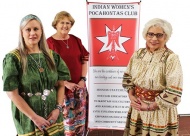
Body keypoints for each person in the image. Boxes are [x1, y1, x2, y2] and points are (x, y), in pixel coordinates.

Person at [2, 14, 71, 136]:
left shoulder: (52, 56)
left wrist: (57, 110)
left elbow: (61, 85)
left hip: (54, 117)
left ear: (41, 31)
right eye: (28, 29)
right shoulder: (13, 58)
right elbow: (12, 94)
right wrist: (34, 117)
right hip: (28, 119)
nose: (32, 33)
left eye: (36, 29)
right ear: (22, 32)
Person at [122, 18, 183, 136]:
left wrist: (150, 106)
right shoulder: (138, 54)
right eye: (150, 34)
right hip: (138, 108)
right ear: (145, 35)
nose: (154, 39)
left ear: (166, 37)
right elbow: (128, 77)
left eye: (159, 35)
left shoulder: (171, 58)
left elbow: (173, 91)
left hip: (159, 110)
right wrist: (131, 95)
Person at [47, 11, 89, 136]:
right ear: (56, 24)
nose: (65, 25)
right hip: (62, 90)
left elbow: (84, 61)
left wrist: (82, 79)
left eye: (68, 23)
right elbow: (49, 70)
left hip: (79, 87)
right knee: (67, 124)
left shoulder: (76, 40)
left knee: (80, 123)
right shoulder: (49, 43)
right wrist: (66, 83)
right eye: (62, 22)